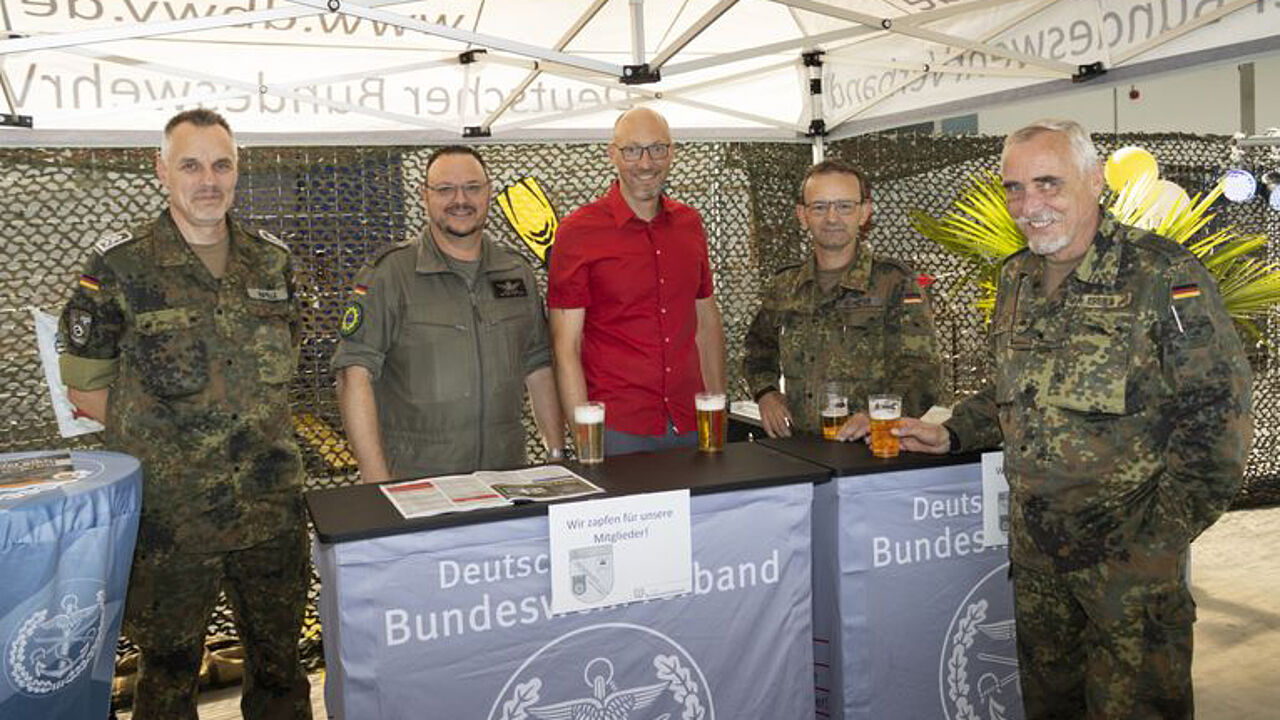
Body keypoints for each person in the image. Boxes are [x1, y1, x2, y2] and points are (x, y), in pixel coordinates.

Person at [895, 119, 1253, 719]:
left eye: (1048, 183)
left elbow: (1221, 418)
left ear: (1094, 182)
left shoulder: (1160, 274)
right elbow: (1018, 390)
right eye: (1014, 188)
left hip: (1129, 570)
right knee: (1050, 707)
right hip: (1039, 562)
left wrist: (1156, 540)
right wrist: (954, 429)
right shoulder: (1016, 278)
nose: (1029, 205)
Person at [58, 109, 312, 719]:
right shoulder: (120, 269)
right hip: (175, 522)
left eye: (221, 164)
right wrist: (170, 444)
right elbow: (85, 389)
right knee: (167, 680)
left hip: (270, 509)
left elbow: (285, 363)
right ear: (162, 172)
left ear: (237, 172)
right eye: (191, 165)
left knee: (281, 669)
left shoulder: (272, 263)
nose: (208, 180)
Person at [332, 146, 563, 481]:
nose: (460, 200)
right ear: (424, 195)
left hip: (508, 478)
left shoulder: (516, 271)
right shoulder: (389, 274)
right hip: (419, 482)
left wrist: (555, 455)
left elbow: (539, 366)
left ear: (488, 191)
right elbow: (353, 376)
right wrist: (377, 483)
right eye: (445, 189)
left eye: (472, 187)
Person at [548, 107, 726, 455]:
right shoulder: (577, 233)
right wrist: (586, 442)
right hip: (618, 430)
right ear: (612, 153)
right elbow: (565, 348)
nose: (646, 163)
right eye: (632, 150)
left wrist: (717, 413)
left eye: (657, 149)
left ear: (672, 152)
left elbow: (706, 322)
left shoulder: (690, 224)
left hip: (692, 422)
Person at [742, 159, 944, 439]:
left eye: (845, 206)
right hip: (802, 448)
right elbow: (757, 350)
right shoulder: (785, 286)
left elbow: (923, 372)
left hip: (873, 448)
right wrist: (766, 393)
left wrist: (879, 416)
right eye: (820, 207)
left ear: (864, 212)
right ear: (802, 215)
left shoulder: (895, 283)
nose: (832, 218)